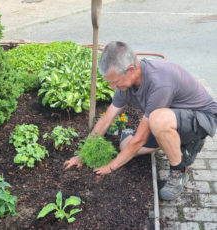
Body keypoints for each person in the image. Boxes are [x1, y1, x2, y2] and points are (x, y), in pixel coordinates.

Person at [64, 41, 217, 201]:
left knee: (157, 121)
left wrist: (111, 166)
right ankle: (181, 143)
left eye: (115, 82)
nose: (112, 87)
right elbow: (106, 119)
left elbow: (140, 140)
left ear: (131, 69)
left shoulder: (159, 82)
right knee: (125, 146)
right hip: (172, 118)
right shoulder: (126, 84)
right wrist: (82, 154)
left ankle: (179, 171)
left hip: (201, 118)